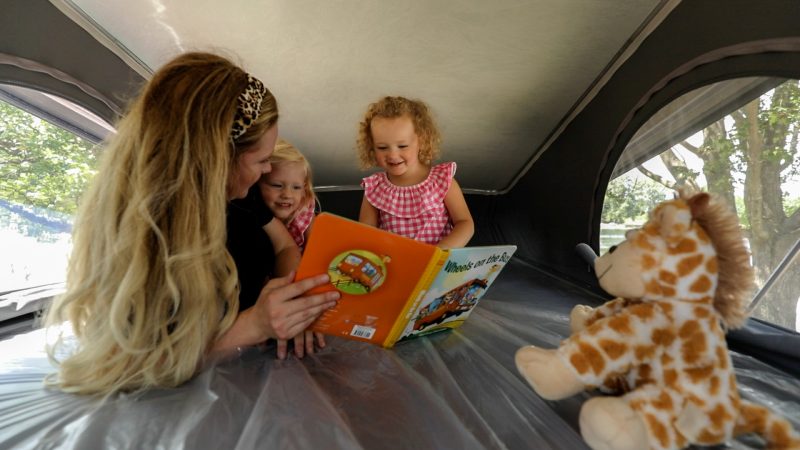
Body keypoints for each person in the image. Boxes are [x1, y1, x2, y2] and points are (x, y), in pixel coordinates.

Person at [44, 52, 339, 395]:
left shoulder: (244, 198)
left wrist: (290, 301)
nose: (266, 173)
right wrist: (255, 325)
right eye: (261, 161)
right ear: (216, 159)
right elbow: (128, 368)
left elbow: (285, 245)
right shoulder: (142, 233)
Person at [357, 96, 474, 248]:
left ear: (422, 141)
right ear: (371, 147)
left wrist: (438, 253)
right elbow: (365, 234)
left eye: (403, 146)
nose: (392, 155)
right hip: (395, 263)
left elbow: (465, 223)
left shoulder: (443, 180)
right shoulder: (375, 188)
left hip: (438, 262)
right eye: (382, 147)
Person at [258, 139, 317, 251]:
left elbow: (315, 247)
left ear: (304, 190)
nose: (287, 195)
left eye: (296, 187)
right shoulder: (253, 211)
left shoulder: (304, 210)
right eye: (277, 185)